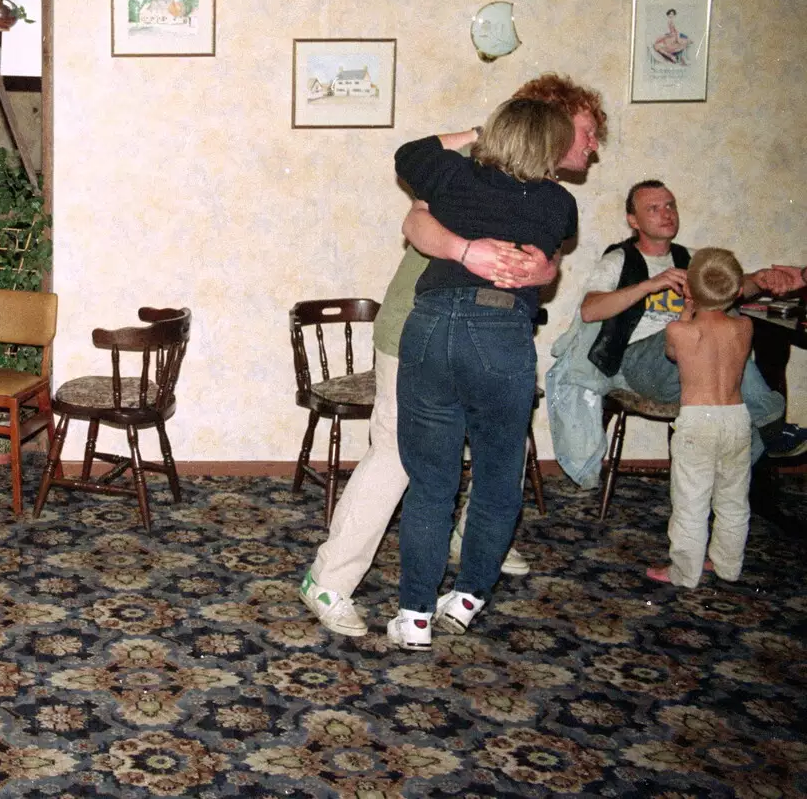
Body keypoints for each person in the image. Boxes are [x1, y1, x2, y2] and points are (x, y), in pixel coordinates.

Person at [301, 74, 605, 638]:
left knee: (465, 462)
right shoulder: (472, 163)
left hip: (471, 330)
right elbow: (415, 222)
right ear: (549, 123)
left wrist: (543, 270)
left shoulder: (541, 195)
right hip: (419, 324)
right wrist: (471, 251)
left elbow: (547, 261)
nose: (591, 145)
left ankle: (466, 552)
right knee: (399, 455)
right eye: (585, 131)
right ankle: (330, 580)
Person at [389, 98, 579, 651]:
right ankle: (468, 599)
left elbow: (411, 151)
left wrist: (476, 131)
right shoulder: (559, 203)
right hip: (498, 333)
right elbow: (546, 263)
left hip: (428, 327)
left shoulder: (453, 174)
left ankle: (414, 619)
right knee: (497, 481)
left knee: (431, 484)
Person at [546, 181, 802, 490]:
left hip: (693, 364)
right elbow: (590, 310)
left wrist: (759, 280)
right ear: (633, 221)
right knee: (714, 339)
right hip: (642, 364)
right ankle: (773, 426)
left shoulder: (692, 259)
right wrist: (649, 285)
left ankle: (720, 487)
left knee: (726, 344)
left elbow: (732, 288)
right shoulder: (619, 259)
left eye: (670, 205)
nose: (666, 213)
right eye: (653, 208)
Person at [647, 248, 754, 587]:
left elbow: (672, 354)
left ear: (688, 291)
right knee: (733, 498)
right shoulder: (745, 326)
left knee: (691, 502)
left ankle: (684, 572)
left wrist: (684, 313)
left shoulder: (680, 331)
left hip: (697, 421)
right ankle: (727, 564)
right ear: (738, 292)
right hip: (737, 419)